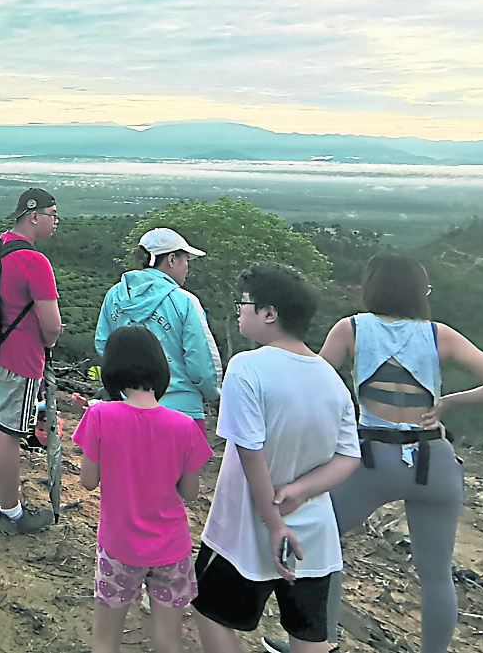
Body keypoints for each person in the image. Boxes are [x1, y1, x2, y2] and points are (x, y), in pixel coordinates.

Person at [262, 255, 483, 653]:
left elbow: (311, 383)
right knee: (436, 576)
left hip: (372, 459)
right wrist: (448, 402)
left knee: (320, 544)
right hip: (433, 461)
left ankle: (321, 642)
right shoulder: (441, 335)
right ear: (420, 293)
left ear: (372, 289)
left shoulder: (351, 328)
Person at [192, 265, 360, 653]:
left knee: (208, 611)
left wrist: (273, 523)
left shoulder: (248, 367)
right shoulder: (330, 379)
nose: (239, 311)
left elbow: (251, 453)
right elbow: (348, 456)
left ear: (270, 313)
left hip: (245, 530)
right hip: (314, 536)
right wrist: (301, 489)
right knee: (309, 636)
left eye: (244, 304)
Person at [73, 326, 212, 653]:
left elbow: (88, 481)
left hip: (119, 549)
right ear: (160, 369)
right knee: (168, 640)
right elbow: (189, 494)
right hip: (172, 550)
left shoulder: (99, 415)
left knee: (105, 640)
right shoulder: (185, 426)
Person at [0, 187, 64, 536]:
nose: (56, 222)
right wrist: (50, 341)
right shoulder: (35, 262)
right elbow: (51, 324)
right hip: (19, 357)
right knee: (9, 433)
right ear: (34, 215)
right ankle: (11, 513)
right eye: (53, 214)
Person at [94, 228, 221, 428]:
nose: (187, 266)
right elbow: (202, 363)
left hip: (126, 409)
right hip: (181, 412)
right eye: (185, 259)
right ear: (172, 259)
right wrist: (214, 394)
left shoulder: (115, 295)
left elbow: (104, 345)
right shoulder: (185, 301)